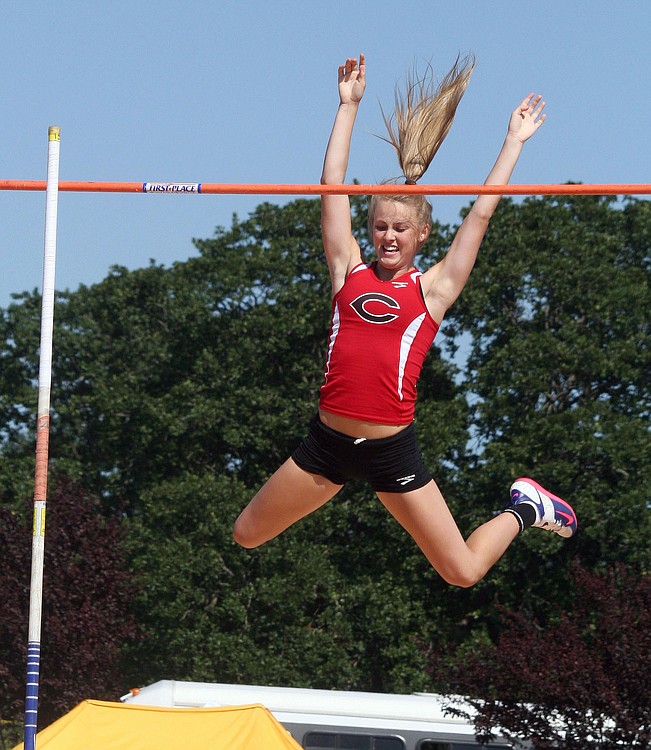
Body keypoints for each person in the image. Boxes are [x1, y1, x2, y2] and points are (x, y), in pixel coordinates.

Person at [233, 54, 577, 587]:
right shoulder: (348, 269)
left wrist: (513, 142)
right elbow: (331, 185)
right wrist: (347, 107)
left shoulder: (433, 289)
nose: (388, 237)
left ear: (421, 237)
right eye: (380, 227)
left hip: (392, 450)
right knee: (247, 534)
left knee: (462, 572)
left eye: (400, 229)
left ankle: (526, 509)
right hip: (326, 445)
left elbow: (481, 213)